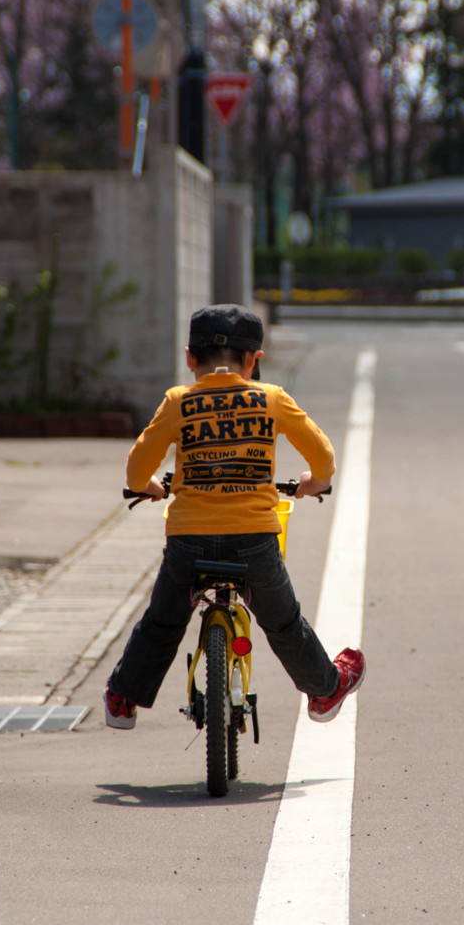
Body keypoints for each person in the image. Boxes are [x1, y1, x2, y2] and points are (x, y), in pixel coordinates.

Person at [104, 303, 365, 730]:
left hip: (189, 541)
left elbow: (136, 471)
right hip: (255, 541)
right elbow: (324, 459)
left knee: (163, 623)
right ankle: (325, 690)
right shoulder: (271, 399)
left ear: (190, 357)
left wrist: (150, 487)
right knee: (283, 623)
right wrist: (313, 482)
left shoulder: (178, 402)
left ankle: (122, 699)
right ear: (253, 359)